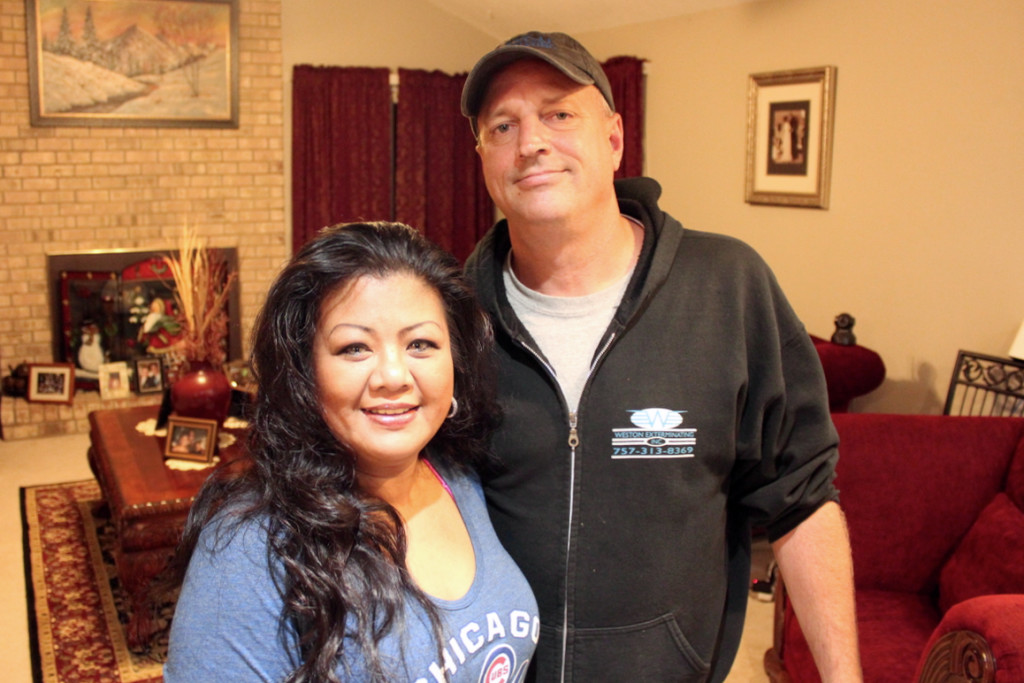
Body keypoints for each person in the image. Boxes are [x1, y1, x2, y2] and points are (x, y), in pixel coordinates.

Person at [459, 31, 862, 682]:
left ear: (614, 138)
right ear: (482, 157)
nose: (531, 141)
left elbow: (803, 502)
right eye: (503, 125)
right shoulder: (448, 318)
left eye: (559, 113)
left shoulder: (727, 286)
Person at [164, 222, 539, 683]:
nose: (393, 376)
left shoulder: (459, 475)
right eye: (354, 347)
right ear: (305, 372)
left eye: (420, 343)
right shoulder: (250, 546)